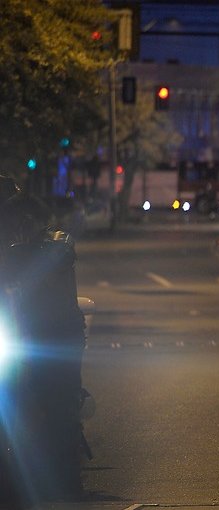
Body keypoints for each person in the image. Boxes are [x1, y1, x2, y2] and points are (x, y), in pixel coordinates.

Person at [0, 174, 87, 501]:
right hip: (12, 334)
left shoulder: (52, 242)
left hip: (49, 336)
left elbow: (59, 251)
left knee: (59, 405)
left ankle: (68, 481)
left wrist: (19, 253)